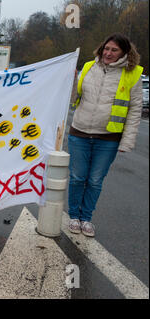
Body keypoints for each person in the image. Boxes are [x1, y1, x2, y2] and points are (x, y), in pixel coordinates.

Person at [68, 33, 143, 237]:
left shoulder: (133, 74)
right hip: (79, 133)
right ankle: (74, 216)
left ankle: (87, 218)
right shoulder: (89, 67)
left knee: (94, 180)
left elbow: (135, 110)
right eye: (106, 49)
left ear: (125, 52)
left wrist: (127, 141)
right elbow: (73, 99)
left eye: (114, 50)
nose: (108, 53)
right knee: (76, 178)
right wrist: (72, 81)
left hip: (108, 138)